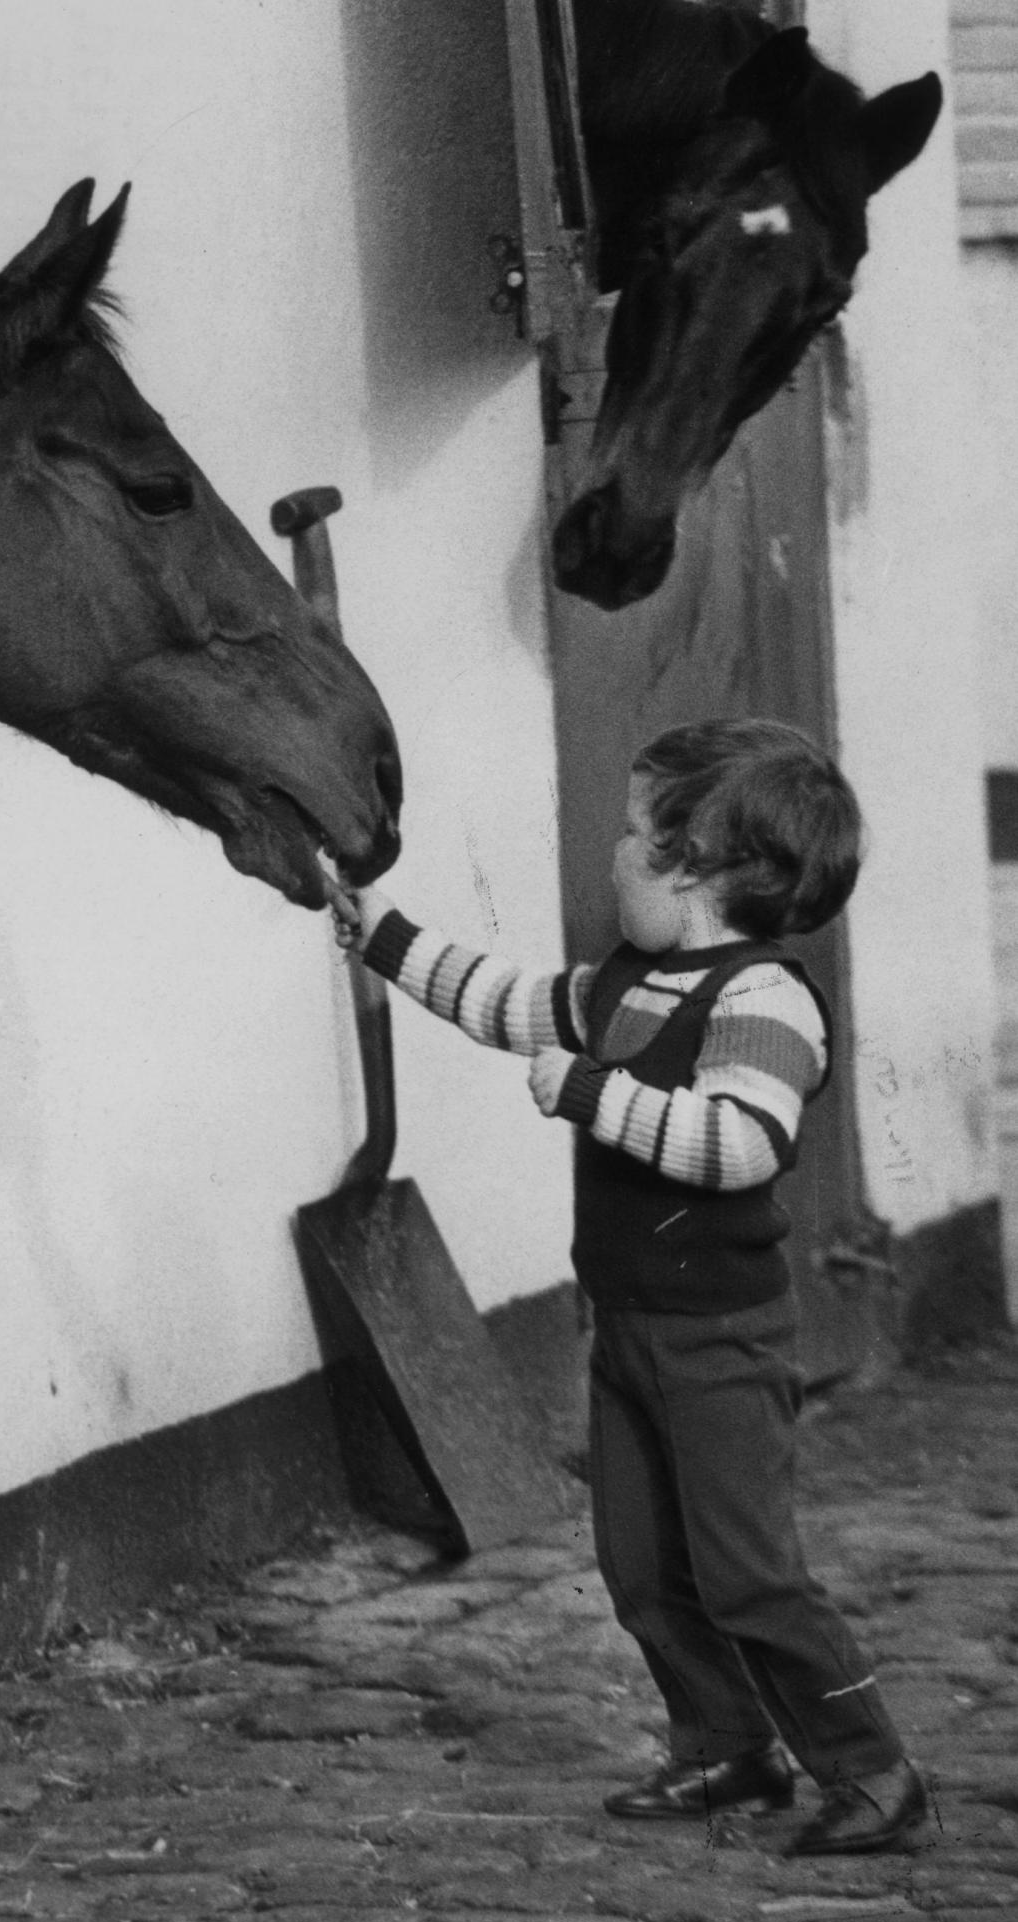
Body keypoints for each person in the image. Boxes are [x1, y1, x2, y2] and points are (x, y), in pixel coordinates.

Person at [326, 717, 927, 1857]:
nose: (610, 850)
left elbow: (740, 1141)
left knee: (747, 1573)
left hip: (723, 1342)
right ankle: (726, 1745)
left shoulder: (765, 1000)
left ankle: (874, 1770)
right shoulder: (627, 981)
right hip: (631, 1328)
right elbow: (505, 1000)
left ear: (693, 864)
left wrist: (594, 1096)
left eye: (630, 831)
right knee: (642, 1567)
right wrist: (383, 936)